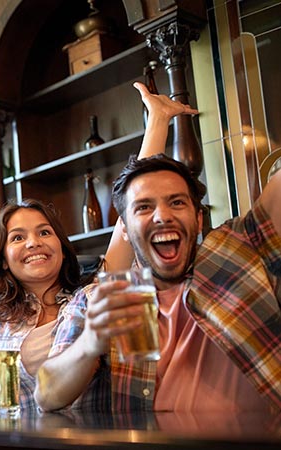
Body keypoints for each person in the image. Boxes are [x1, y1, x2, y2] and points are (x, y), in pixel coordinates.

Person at [0, 83, 195, 410]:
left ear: (62, 248)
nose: (33, 242)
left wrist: (158, 120)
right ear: (4, 259)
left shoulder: (90, 297)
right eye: (18, 237)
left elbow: (128, 215)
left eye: (45, 232)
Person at [35, 88, 281, 412]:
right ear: (124, 227)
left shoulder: (242, 246)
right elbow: (46, 395)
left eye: (176, 202)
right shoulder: (99, 299)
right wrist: (90, 343)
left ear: (198, 216)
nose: (162, 215)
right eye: (144, 207)